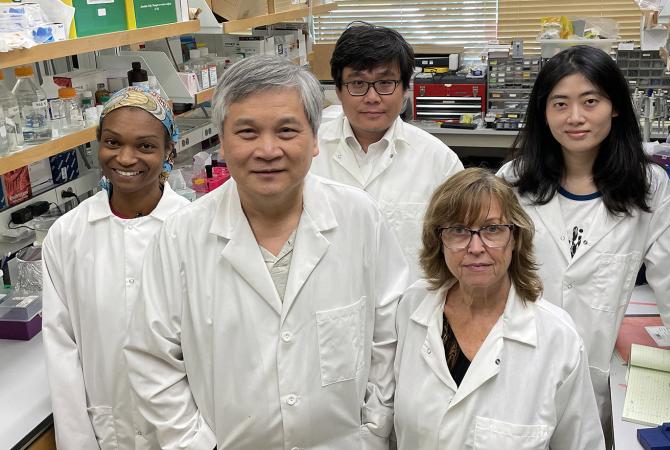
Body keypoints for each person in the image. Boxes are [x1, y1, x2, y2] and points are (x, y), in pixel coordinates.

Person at [123, 55, 410, 449]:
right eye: (247, 132)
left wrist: (372, 431)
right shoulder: (181, 237)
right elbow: (153, 360)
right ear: (222, 142)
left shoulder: (359, 218)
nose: (268, 149)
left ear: (314, 141)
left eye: (287, 130)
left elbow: (390, 336)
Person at [496, 45, 670, 433]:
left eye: (590, 101)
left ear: (614, 106)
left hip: (591, 383)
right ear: (543, 112)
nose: (575, 117)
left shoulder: (649, 189)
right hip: (510, 371)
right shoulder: (512, 182)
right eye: (560, 104)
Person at [393, 168, 604, 449]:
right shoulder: (413, 307)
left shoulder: (557, 338)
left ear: (515, 238)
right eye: (458, 230)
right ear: (438, 240)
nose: (476, 247)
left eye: (492, 229)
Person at [42, 86, 190, 449]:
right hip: (106, 432)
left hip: (186, 431)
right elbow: (62, 351)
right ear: (98, 144)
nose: (125, 158)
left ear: (169, 150)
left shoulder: (193, 230)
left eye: (145, 146)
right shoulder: (67, 234)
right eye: (113, 142)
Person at [311, 23, 463, 281]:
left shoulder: (440, 161)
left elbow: (461, 246)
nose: (372, 97)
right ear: (338, 90)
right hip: (327, 308)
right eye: (357, 83)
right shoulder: (308, 156)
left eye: (385, 82)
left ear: (405, 89)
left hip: (410, 312)